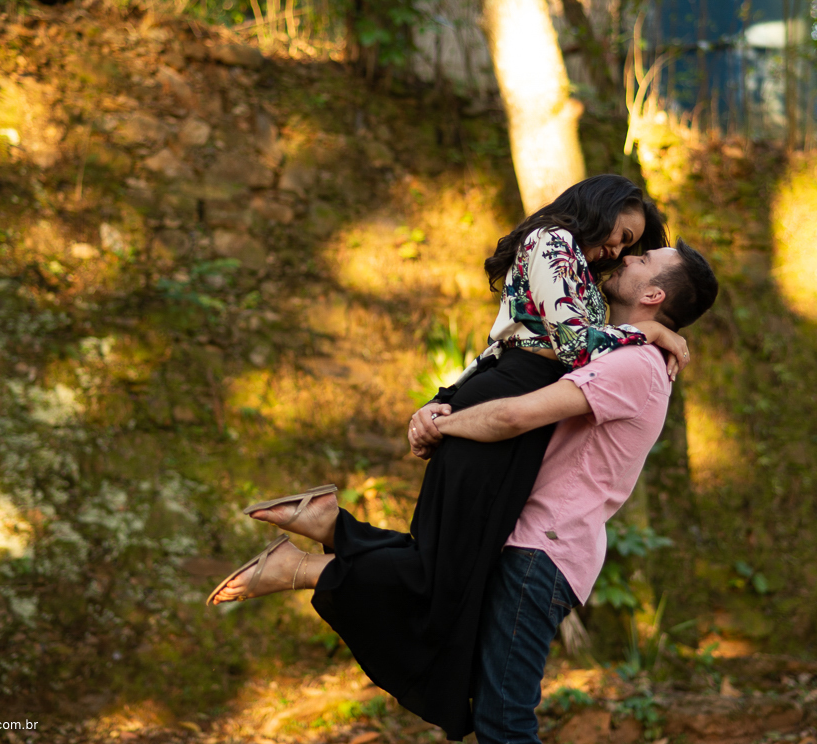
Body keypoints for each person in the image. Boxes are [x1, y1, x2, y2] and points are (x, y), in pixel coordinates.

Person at [207, 239, 717, 741]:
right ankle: (325, 534)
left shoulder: (633, 364)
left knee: (504, 721)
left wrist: (442, 426)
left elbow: (517, 414)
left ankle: (318, 547)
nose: (626, 257)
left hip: (544, 551)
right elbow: (510, 354)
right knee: (440, 601)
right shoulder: (615, 347)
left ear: (653, 295)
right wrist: (437, 403)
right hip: (521, 537)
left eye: (642, 258)